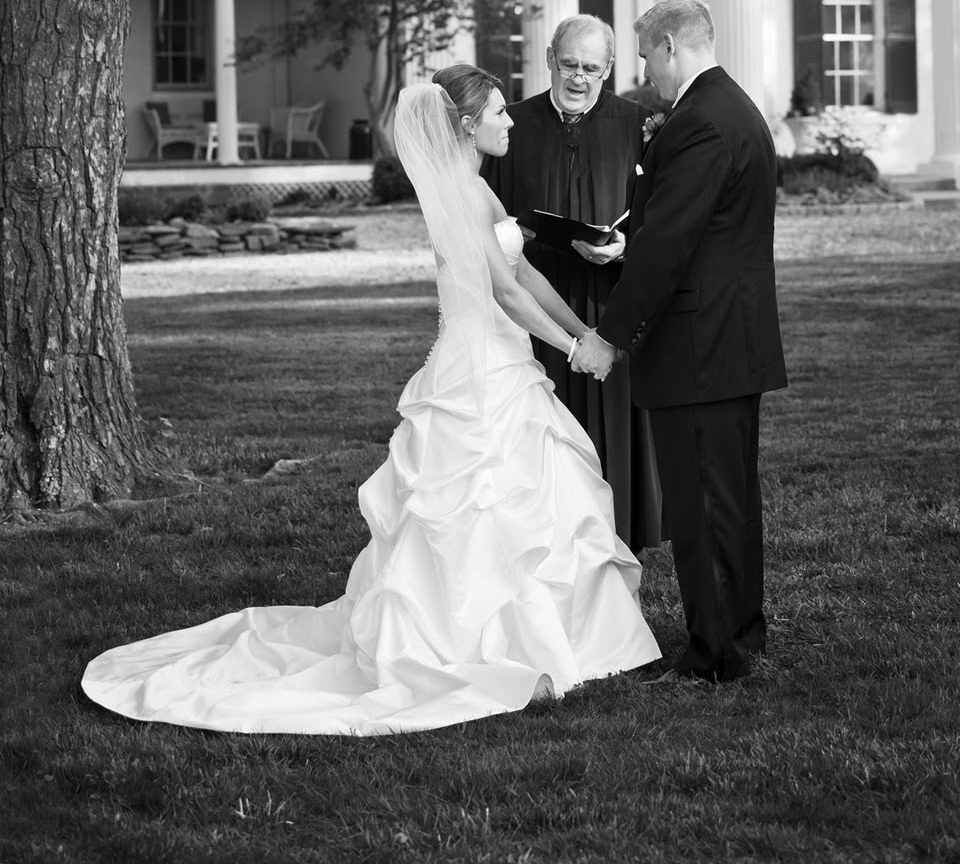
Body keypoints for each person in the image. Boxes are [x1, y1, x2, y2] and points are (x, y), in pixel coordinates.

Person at [82, 65, 659, 736]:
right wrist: (570, 349)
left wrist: (587, 330)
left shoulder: (476, 191)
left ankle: (554, 634)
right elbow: (502, 294)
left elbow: (524, 270)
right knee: (481, 500)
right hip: (479, 366)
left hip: (504, 360)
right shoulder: (460, 196)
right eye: (499, 113)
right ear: (466, 125)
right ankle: (478, 643)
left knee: (526, 497)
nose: (510, 122)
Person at [573, 0, 788, 685]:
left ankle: (715, 653)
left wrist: (610, 336)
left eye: (643, 56)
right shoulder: (734, 109)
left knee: (701, 502)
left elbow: (669, 247)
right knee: (726, 495)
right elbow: (691, 228)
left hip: (699, 342)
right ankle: (738, 632)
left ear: (668, 45)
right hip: (729, 335)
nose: (645, 73)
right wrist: (628, 244)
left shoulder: (699, 121)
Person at [481, 15, 663, 553]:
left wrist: (625, 243)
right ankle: (547, 541)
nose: (578, 78)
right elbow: (488, 219)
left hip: (614, 296)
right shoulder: (511, 125)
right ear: (549, 60)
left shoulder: (639, 124)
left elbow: (662, 211)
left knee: (614, 420)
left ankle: (617, 536)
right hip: (534, 299)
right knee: (545, 422)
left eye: (591, 68)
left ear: (608, 69)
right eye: (569, 65)